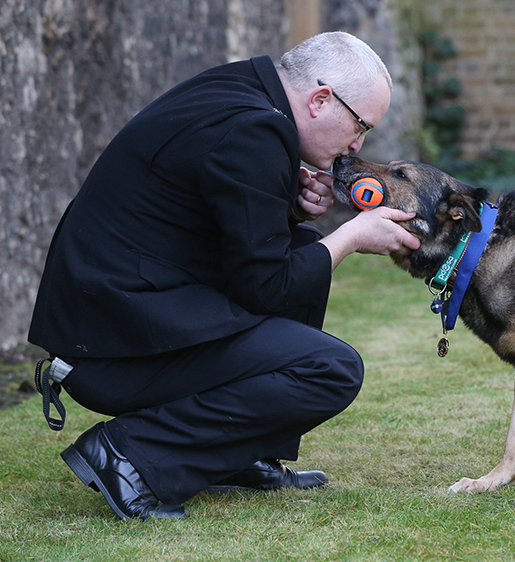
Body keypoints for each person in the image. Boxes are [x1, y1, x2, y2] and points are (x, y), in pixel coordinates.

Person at [28, 31, 420, 520]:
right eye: (360, 126)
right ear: (321, 100)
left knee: (300, 248)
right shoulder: (254, 129)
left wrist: (292, 214)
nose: (357, 146)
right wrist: (351, 237)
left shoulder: (242, 92)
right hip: (111, 350)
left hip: (114, 318)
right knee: (331, 369)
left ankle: (235, 453)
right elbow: (266, 287)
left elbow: (227, 231)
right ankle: (130, 455)